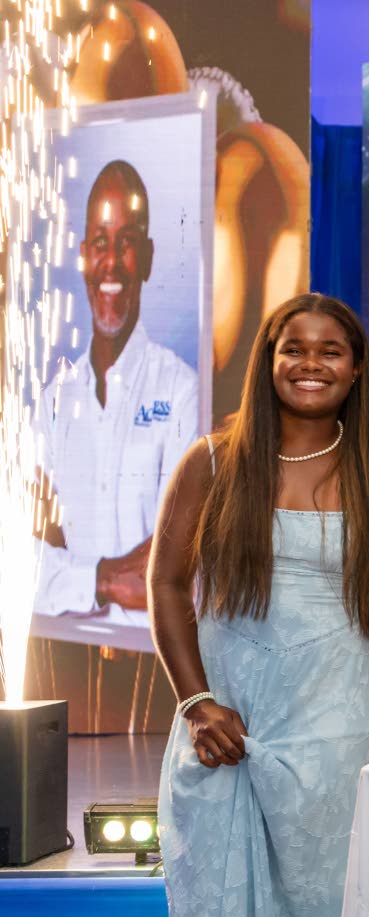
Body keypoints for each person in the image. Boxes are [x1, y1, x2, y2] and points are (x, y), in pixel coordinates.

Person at [149, 293, 369, 917]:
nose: (311, 363)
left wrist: (338, 642)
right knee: (216, 916)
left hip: (335, 731)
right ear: (268, 361)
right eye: (294, 349)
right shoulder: (212, 462)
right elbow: (166, 584)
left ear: (355, 368)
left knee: (328, 910)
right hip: (223, 728)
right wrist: (196, 703)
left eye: (330, 351)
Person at [34, 159, 199, 615]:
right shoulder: (53, 404)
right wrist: (104, 579)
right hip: (68, 651)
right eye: (100, 244)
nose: (111, 262)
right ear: (83, 256)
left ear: (147, 257)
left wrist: (62, 574)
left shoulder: (182, 394)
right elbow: (18, 559)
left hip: (158, 656)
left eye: (126, 243)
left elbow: (181, 564)